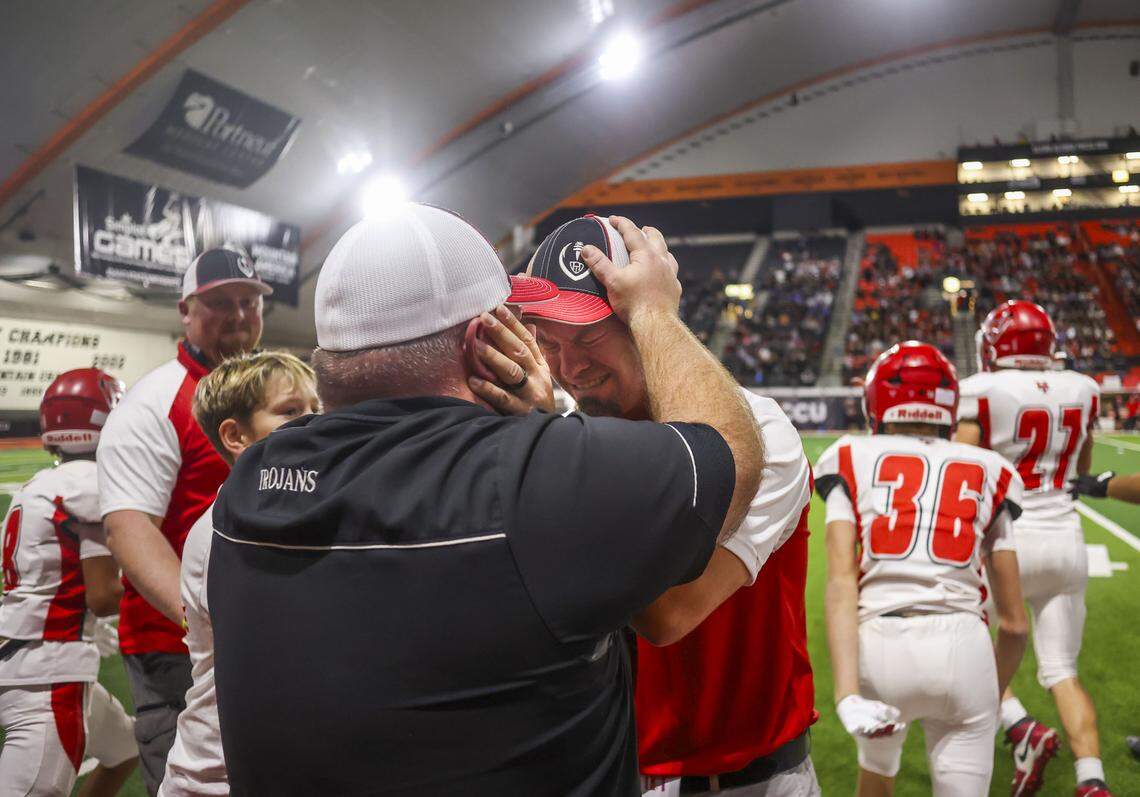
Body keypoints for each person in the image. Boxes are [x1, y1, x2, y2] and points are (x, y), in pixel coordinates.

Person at [208, 203, 764, 796]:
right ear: (484, 342)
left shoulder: (247, 484)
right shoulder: (533, 484)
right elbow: (730, 449)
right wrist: (653, 309)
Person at [519, 214, 818, 795]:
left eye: (586, 337)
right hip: (622, 771)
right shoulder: (570, 438)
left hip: (754, 780)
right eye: (548, 342)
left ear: (643, 320)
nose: (568, 368)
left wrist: (540, 459)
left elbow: (668, 612)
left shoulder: (760, 429)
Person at [816, 342, 1029, 797]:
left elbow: (840, 582)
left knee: (874, 781)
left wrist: (846, 691)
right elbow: (1014, 625)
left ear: (877, 401)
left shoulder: (850, 455)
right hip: (966, 647)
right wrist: (991, 692)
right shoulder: (992, 468)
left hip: (882, 645)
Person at [96, 248, 272, 795]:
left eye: (249, 301)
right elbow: (129, 527)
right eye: (220, 303)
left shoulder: (266, 393)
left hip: (261, 637)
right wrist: (205, 621)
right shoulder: (158, 401)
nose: (240, 316)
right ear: (186, 310)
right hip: (180, 653)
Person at [955, 300, 1110, 797]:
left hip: (1008, 541)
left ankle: (1020, 727)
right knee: (1062, 668)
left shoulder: (981, 390)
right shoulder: (1084, 389)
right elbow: (1081, 469)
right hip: (1066, 536)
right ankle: (1092, 779)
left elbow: (967, 467)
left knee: (974, 653)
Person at [158, 351, 321, 797]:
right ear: (236, 435)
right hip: (216, 776)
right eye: (290, 411)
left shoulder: (265, 515)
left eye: (317, 407)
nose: (313, 420)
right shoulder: (233, 531)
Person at [0, 369, 138, 797]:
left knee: (124, 748)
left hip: (25, 654)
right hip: (50, 672)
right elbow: (102, 596)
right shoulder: (89, 486)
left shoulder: (38, 486)